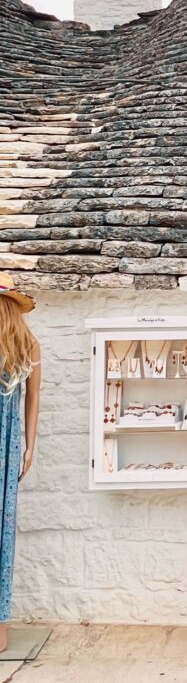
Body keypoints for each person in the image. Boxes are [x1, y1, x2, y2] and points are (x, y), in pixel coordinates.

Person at [0, 274, 41, 654]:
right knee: (3, 531)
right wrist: (28, 446)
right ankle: (0, 631)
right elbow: (32, 401)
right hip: (9, 444)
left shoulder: (26, 345)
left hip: (9, 446)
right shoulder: (27, 344)